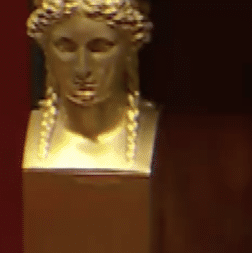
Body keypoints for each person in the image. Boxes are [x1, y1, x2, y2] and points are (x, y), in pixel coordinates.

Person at [24, 0, 157, 173]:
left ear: (129, 51)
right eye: (66, 48)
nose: (82, 68)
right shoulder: (35, 136)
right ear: (46, 50)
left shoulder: (150, 133)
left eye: (100, 48)